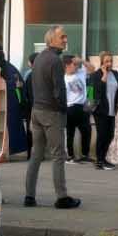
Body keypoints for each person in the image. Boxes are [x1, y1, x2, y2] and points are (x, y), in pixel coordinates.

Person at [23, 28, 80, 210]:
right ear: (51, 40)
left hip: (37, 111)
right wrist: (64, 109)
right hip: (51, 112)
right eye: (62, 37)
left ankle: (29, 196)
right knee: (58, 155)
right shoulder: (55, 60)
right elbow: (59, 90)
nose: (65, 39)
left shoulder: (39, 57)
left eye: (65, 36)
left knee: (36, 154)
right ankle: (62, 197)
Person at [0, 42, 30, 160]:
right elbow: (21, 87)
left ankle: (3, 153)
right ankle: (6, 152)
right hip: (12, 106)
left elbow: (19, 87)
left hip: (6, 105)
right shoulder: (11, 68)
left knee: (3, 131)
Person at [88, 52, 118, 171]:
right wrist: (104, 77)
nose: (109, 63)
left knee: (110, 135)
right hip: (100, 110)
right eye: (107, 61)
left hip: (112, 109)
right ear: (101, 62)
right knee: (102, 135)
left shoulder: (116, 74)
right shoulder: (95, 75)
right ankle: (99, 161)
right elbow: (93, 93)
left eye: (111, 61)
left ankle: (103, 158)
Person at [64, 55, 94, 163]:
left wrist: (81, 60)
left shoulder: (80, 72)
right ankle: (70, 156)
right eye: (74, 64)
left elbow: (92, 68)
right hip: (70, 107)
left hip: (82, 106)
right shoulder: (63, 78)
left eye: (77, 64)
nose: (76, 66)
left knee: (87, 131)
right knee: (70, 133)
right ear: (67, 65)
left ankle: (85, 154)